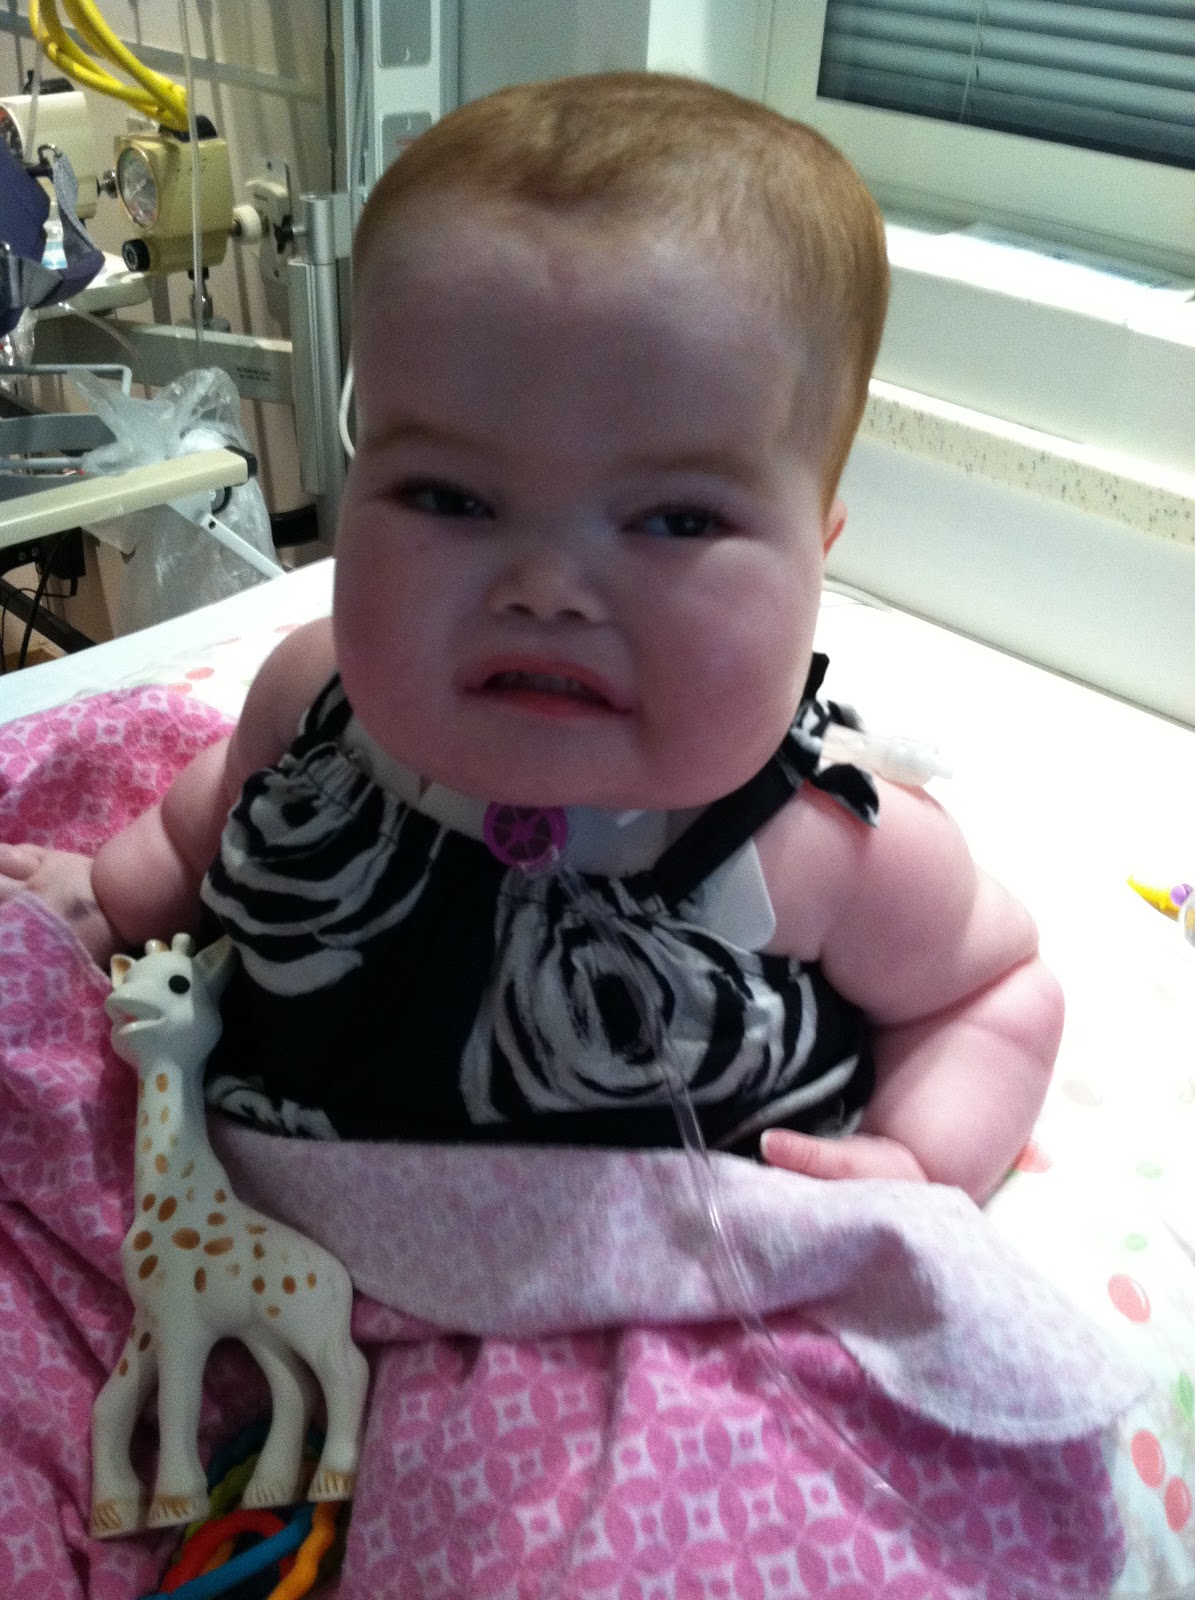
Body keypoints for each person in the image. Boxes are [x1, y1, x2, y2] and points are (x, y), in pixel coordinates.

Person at [0, 73, 1061, 1203]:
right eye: (450, 498)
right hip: (259, 1235)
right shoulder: (319, 701)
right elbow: (208, 821)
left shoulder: (829, 851)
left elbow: (991, 997)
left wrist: (915, 1157)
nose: (546, 589)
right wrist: (113, 899)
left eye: (675, 520)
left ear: (818, 550)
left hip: (648, 1279)